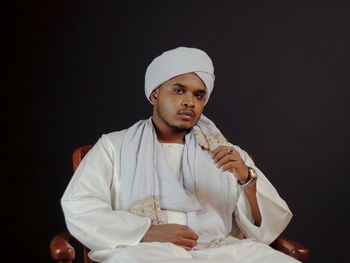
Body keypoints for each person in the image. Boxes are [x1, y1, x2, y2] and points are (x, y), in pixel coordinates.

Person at [61, 47, 299, 263]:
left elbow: (267, 228)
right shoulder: (114, 146)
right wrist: (145, 231)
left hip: (218, 251)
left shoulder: (225, 152)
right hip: (145, 251)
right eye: (178, 90)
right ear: (155, 94)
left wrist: (246, 178)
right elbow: (81, 206)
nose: (189, 102)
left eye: (198, 95)